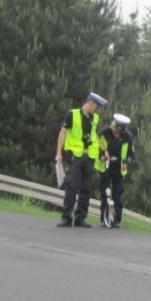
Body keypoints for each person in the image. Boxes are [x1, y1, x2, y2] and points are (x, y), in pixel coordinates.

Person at [55, 91, 107, 228]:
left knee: (86, 187)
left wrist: (104, 151)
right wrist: (58, 153)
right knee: (71, 185)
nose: (97, 110)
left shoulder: (94, 118)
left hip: (89, 157)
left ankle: (80, 218)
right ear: (90, 102)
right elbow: (63, 132)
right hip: (75, 154)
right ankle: (66, 218)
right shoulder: (72, 114)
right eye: (97, 107)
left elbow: (96, 136)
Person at [96, 113, 135, 228]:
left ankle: (116, 220)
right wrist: (102, 155)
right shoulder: (104, 133)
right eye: (114, 127)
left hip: (119, 169)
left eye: (118, 130)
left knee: (117, 194)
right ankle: (105, 219)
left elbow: (131, 154)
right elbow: (97, 146)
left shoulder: (128, 137)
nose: (115, 130)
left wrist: (126, 161)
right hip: (105, 167)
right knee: (105, 193)